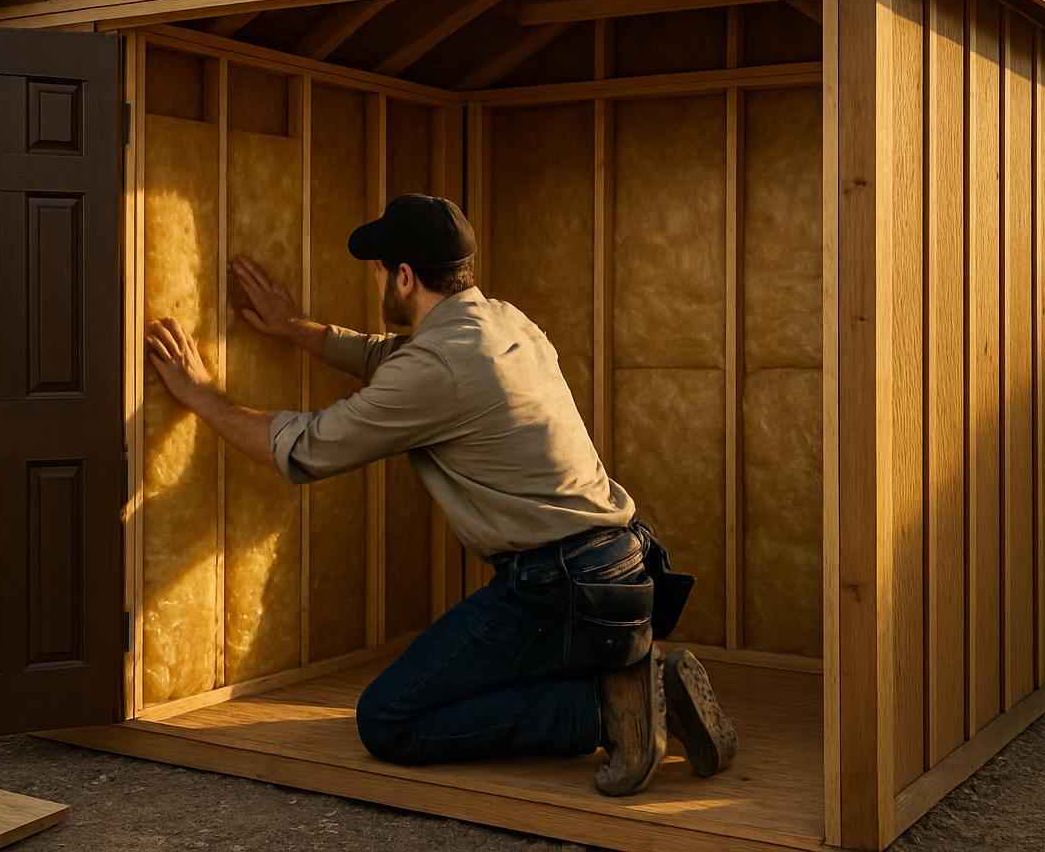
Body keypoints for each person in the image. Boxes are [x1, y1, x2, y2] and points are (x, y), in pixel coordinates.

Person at [143, 193, 736, 795]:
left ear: (405, 276)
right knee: (472, 681)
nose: (377, 280)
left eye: (379, 270)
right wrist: (297, 329)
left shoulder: (436, 369)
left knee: (389, 719)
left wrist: (199, 394)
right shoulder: (504, 321)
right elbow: (391, 357)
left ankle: (609, 707)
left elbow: (307, 446)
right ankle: (642, 682)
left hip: (558, 587)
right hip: (621, 569)